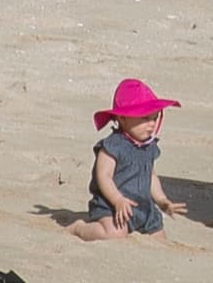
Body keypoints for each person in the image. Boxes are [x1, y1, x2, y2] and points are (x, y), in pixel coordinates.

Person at [68, 78, 188, 241]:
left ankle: (146, 223)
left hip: (143, 207)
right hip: (111, 206)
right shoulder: (113, 146)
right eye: (145, 118)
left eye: (154, 118)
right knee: (114, 233)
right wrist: (117, 200)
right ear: (122, 118)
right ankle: (79, 228)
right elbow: (103, 176)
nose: (151, 124)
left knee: (159, 237)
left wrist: (162, 200)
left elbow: (150, 176)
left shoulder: (149, 147)